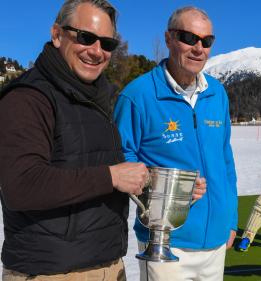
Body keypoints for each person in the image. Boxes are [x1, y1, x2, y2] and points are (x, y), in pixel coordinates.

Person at [0, 0, 150, 279]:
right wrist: (111, 177)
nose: (96, 51)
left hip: (108, 265)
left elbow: (93, 164)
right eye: (85, 37)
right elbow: (21, 185)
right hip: (51, 272)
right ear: (57, 35)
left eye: (107, 44)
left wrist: (153, 181)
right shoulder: (28, 98)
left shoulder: (99, 100)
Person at [113, 6, 237, 281]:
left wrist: (230, 220)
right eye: (189, 38)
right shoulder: (138, 95)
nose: (198, 48)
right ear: (169, 39)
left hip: (215, 243)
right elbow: (122, 162)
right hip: (165, 243)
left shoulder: (217, 94)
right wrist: (171, 189)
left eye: (207, 41)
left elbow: (225, 160)